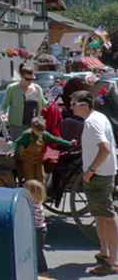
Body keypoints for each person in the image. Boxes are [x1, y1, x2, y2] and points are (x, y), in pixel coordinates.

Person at [71, 91, 118, 276]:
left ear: (84, 104)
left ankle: (113, 261)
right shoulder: (98, 117)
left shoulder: (91, 122)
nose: (71, 105)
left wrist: (90, 171)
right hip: (103, 174)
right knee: (100, 215)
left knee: (106, 215)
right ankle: (105, 253)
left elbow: (105, 148)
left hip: (99, 176)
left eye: (74, 102)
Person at [13, 117, 75, 183]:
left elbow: (56, 140)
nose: (40, 133)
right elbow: (17, 143)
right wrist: (14, 153)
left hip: (38, 160)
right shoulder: (26, 135)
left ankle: (41, 192)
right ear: (33, 128)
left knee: (41, 179)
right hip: (28, 161)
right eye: (38, 131)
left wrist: (69, 143)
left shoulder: (44, 134)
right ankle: (28, 192)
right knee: (29, 179)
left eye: (42, 131)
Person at [0, 63, 47, 141]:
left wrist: (53, 105)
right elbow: (4, 106)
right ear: (21, 77)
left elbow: (43, 104)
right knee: (17, 148)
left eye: (32, 79)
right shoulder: (12, 88)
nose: (30, 81)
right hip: (16, 126)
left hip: (34, 126)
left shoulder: (38, 88)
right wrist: (3, 114)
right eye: (27, 79)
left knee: (31, 149)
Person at [24, 179, 49, 274]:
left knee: (38, 252)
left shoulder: (33, 206)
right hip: (38, 230)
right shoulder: (37, 204)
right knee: (35, 251)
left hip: (37, 231)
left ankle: (43, 271)